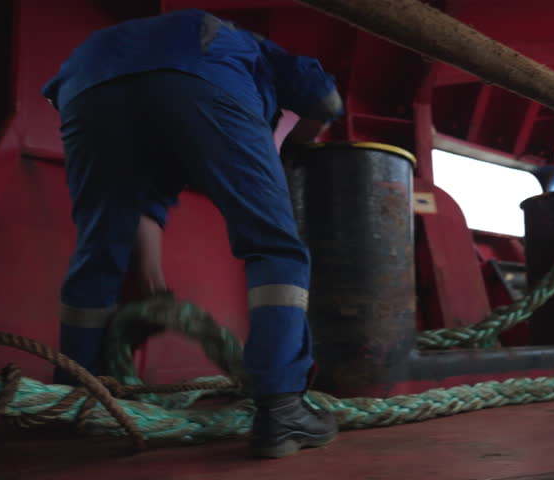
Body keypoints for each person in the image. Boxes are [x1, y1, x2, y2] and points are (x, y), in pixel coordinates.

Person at [42, 9, 343, 458]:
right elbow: (324, 96)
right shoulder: (253, 47)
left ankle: (74, 396)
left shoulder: (133, 45)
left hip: (85, 88)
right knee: (275, 246)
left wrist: (150, 270)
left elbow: (143, 196)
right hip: (202, 79)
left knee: (97, 246)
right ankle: (282, 408)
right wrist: (308, 132)